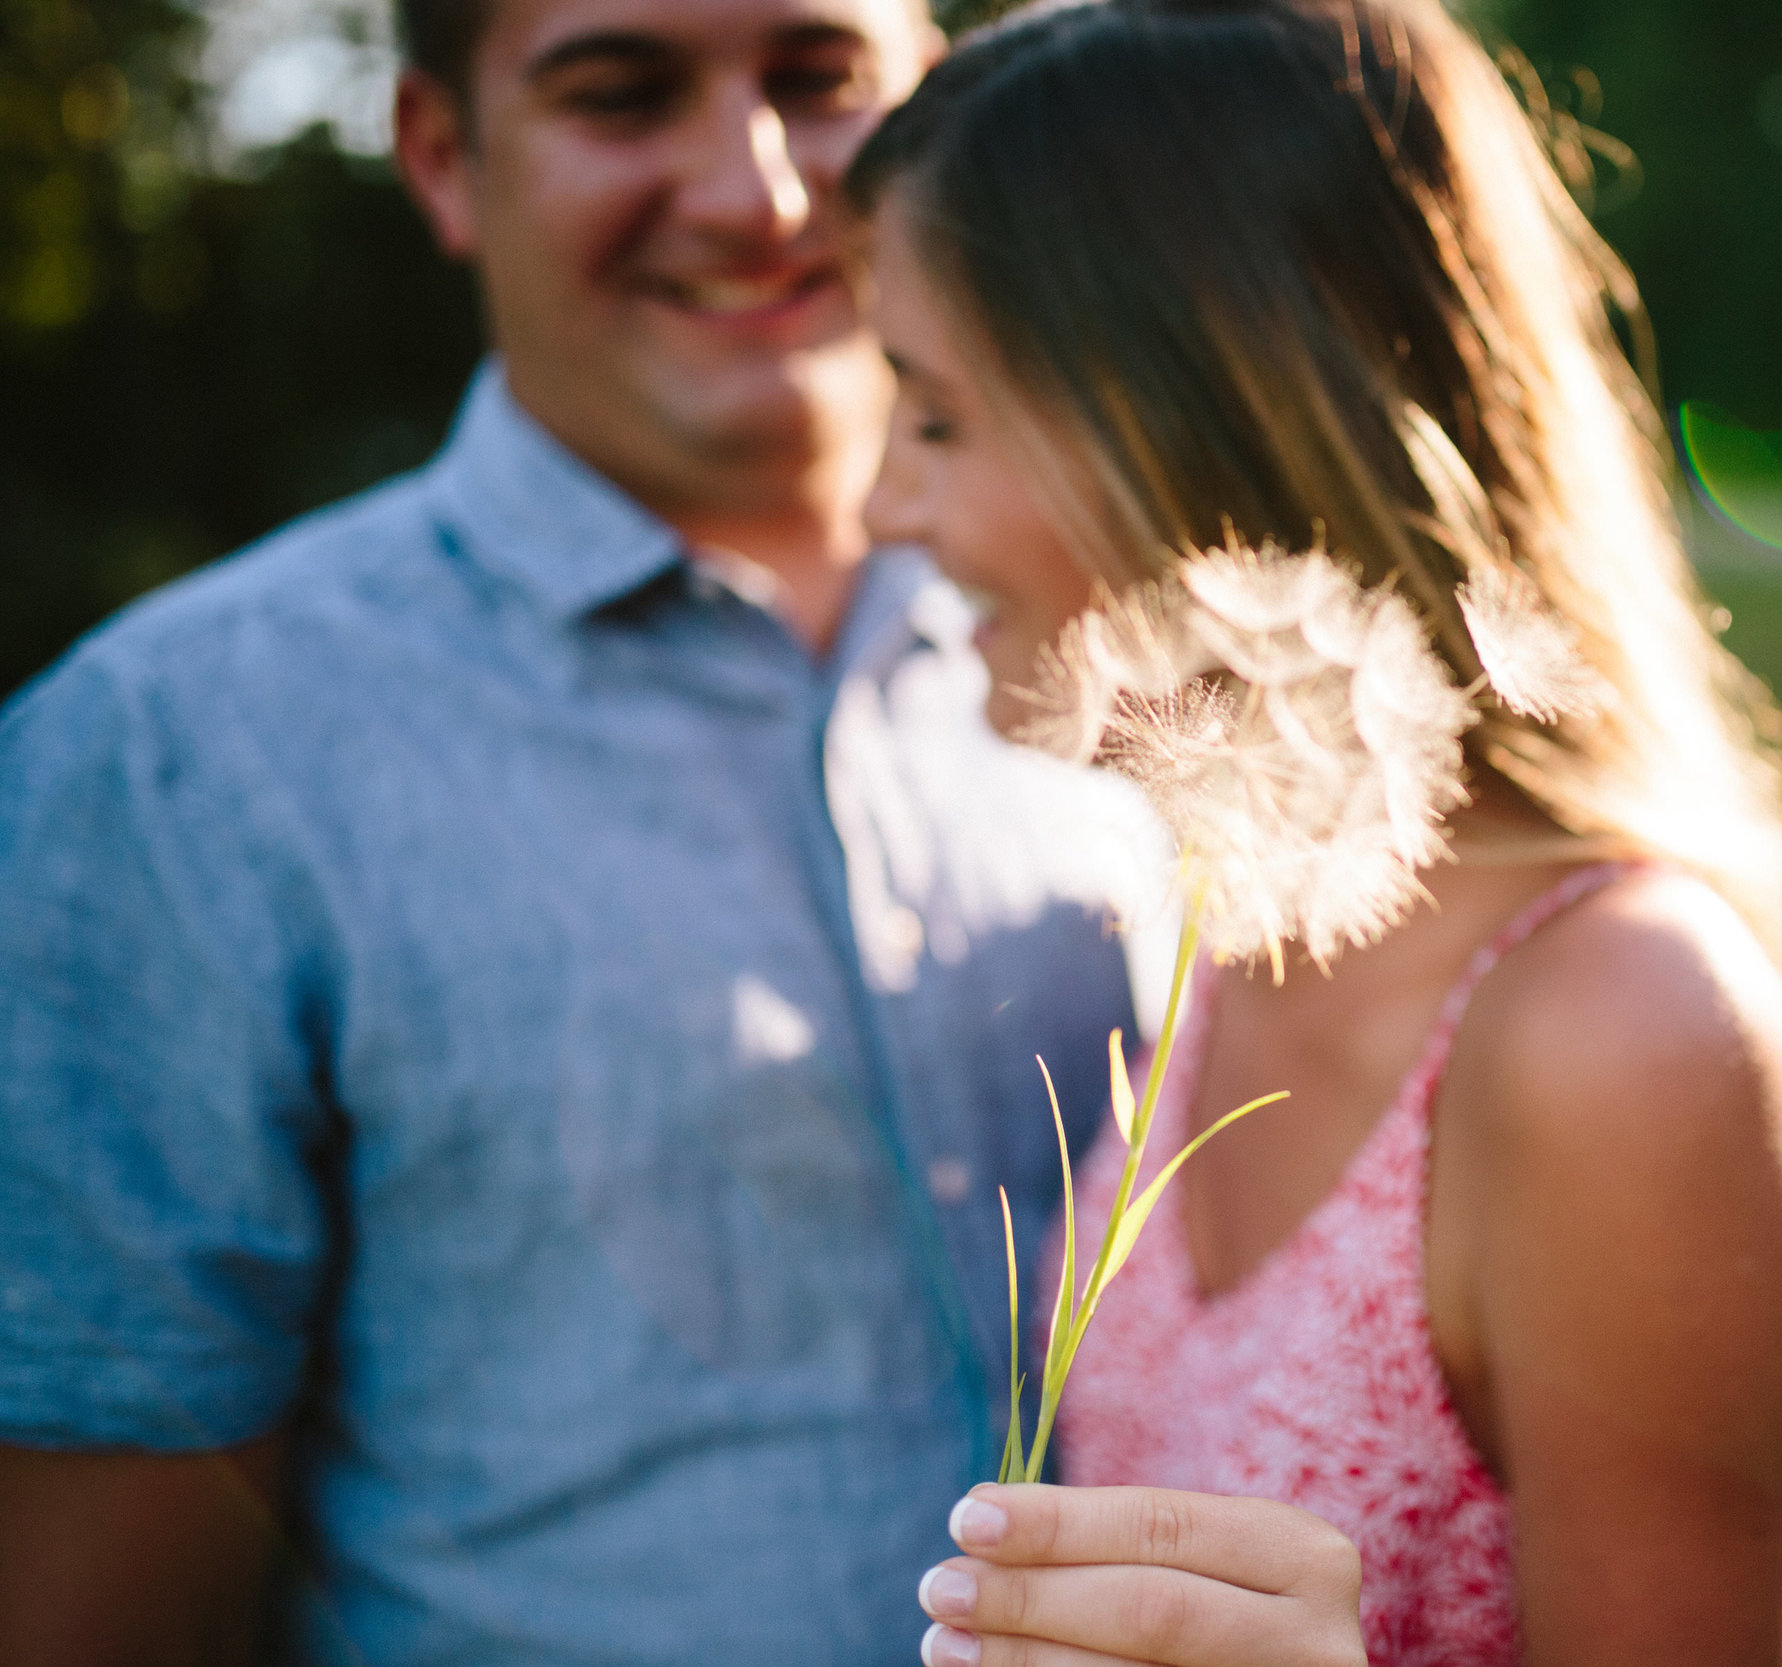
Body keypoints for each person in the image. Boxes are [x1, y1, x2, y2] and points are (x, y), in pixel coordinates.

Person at [0, 0, 1238, 1660]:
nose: (756, 195)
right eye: (624, 94)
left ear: (933, 102)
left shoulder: (1186, 633)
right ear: (445, 158)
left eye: (817, 82)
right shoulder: (171, 759)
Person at [848, 1, 1782, 1661]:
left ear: (1198, 418)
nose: (884, 505)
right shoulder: (1225, 911)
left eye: (937, 415)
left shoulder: (1619, 1044)